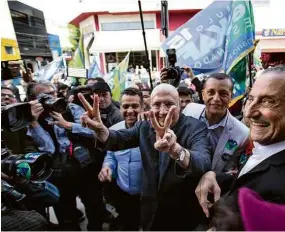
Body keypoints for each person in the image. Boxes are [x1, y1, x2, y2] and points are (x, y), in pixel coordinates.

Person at [195, 65, 285, 218]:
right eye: (250, 99)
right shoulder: (273, 144)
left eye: (268, 101)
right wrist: (216, 176)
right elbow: (255, 178)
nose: (249, 112)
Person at [78, 83, 212, 230]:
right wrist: (101, 130)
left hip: (182, 214)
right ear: (149, 106)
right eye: (157, 104)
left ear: (179, 104)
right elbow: (119, 139)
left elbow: (202, 162)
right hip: (151, 210)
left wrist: (176, 150)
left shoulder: (195, 127)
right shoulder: (145, 126)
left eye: (169, 104)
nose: (162, 111)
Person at [26, 81, 104, 230]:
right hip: (58, 175)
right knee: (66, 217)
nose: (52, 98)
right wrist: (35, 123)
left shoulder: (72, 108)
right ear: (33, 99)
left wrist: (67, 124)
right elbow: (48, 149)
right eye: (46, 96)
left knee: (96, 208)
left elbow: (95, 131)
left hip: (85, 168)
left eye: (53, 93)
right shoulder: (30, 119)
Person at [183, 73, 249, 176]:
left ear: (231, 96)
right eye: (211, 92)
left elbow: (232, 170)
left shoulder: (242, 134)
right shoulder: (189, 110)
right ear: (203, 95)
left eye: (223, 94)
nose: (216, 98)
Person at [99, 88, 144, 230]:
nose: (130, 111)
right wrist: (107, 167)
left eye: (135, 106)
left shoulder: (153, 130)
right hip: (123, 194)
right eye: (125, 106)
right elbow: (110, 155)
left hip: (147, 197)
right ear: (120, 107)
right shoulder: (113, 131)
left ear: (142, 107)